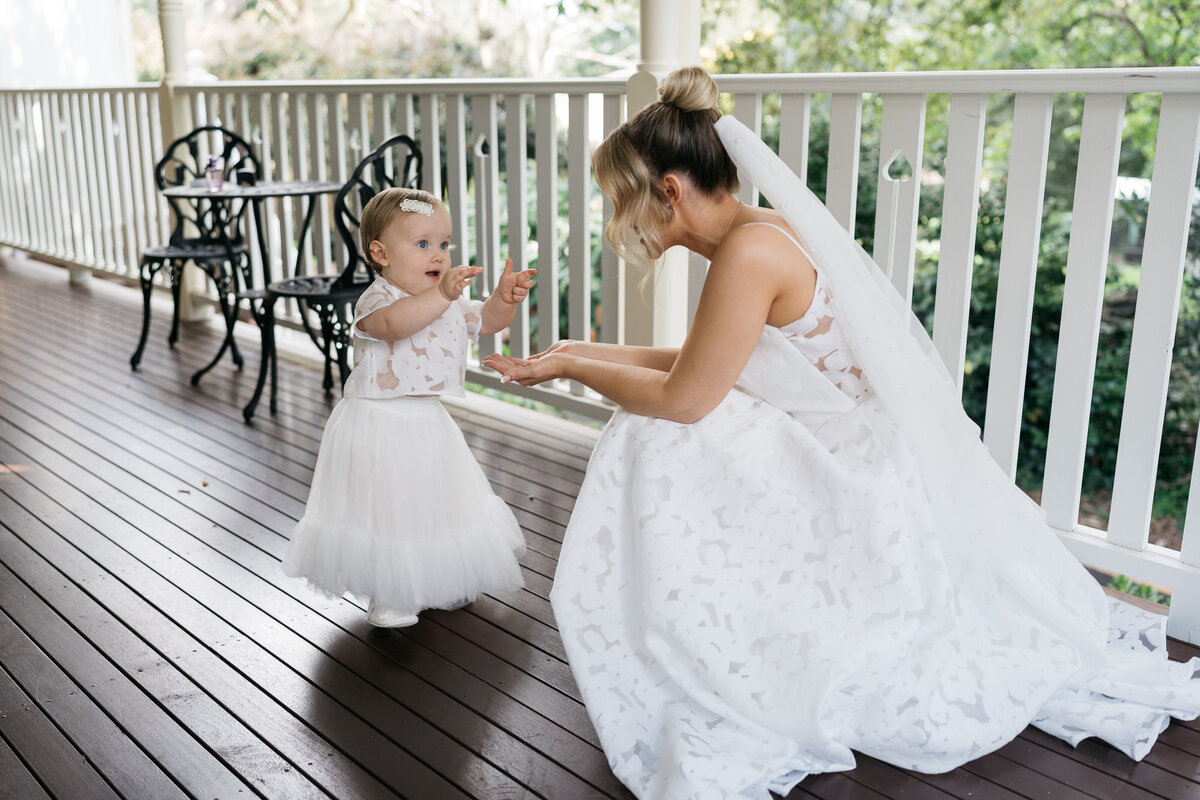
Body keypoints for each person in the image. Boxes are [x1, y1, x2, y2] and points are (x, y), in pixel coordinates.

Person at [484, 67, 1200, 800]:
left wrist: (572, 366)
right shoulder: (758, 232)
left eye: (620, 200)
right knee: (657, 417)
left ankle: (699, 642)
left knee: (656, 431)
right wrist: (579, 354)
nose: (616, 219)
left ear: (667, 191)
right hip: (830, 434)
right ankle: (701, 631)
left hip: (848, 462)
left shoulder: (750, 253)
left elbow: (689, 397)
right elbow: (707, 366)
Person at [285, 187, 535, 628]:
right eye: (422, 244)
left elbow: (485, 320)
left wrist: (504, 300)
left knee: (431, 505)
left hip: (427, 424)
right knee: (387, 511)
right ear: (380, 253)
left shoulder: (445, 300)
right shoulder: (376, 301)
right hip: (378, 424)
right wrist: (442, 295)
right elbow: (397, 325)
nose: (437, 254)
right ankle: (390, 593)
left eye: (444, 244)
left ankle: (434, 579)